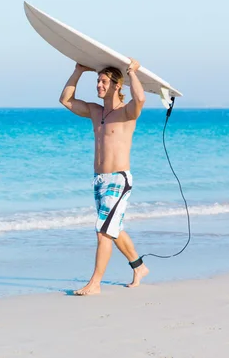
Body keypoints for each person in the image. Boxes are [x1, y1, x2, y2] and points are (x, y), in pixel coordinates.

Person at [59, 58, 150, 295]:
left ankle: (95, 283)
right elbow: (65, 100)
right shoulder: (95, 111)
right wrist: (78, 71)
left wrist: (132, 73)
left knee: (103, 231)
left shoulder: (126, 112)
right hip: (99, 180)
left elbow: (140, 98)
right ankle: (139, 267)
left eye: (103, 81)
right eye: (98, 81)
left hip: (119, 179)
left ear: (117, 86)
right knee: (113, 228)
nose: (98, 85)